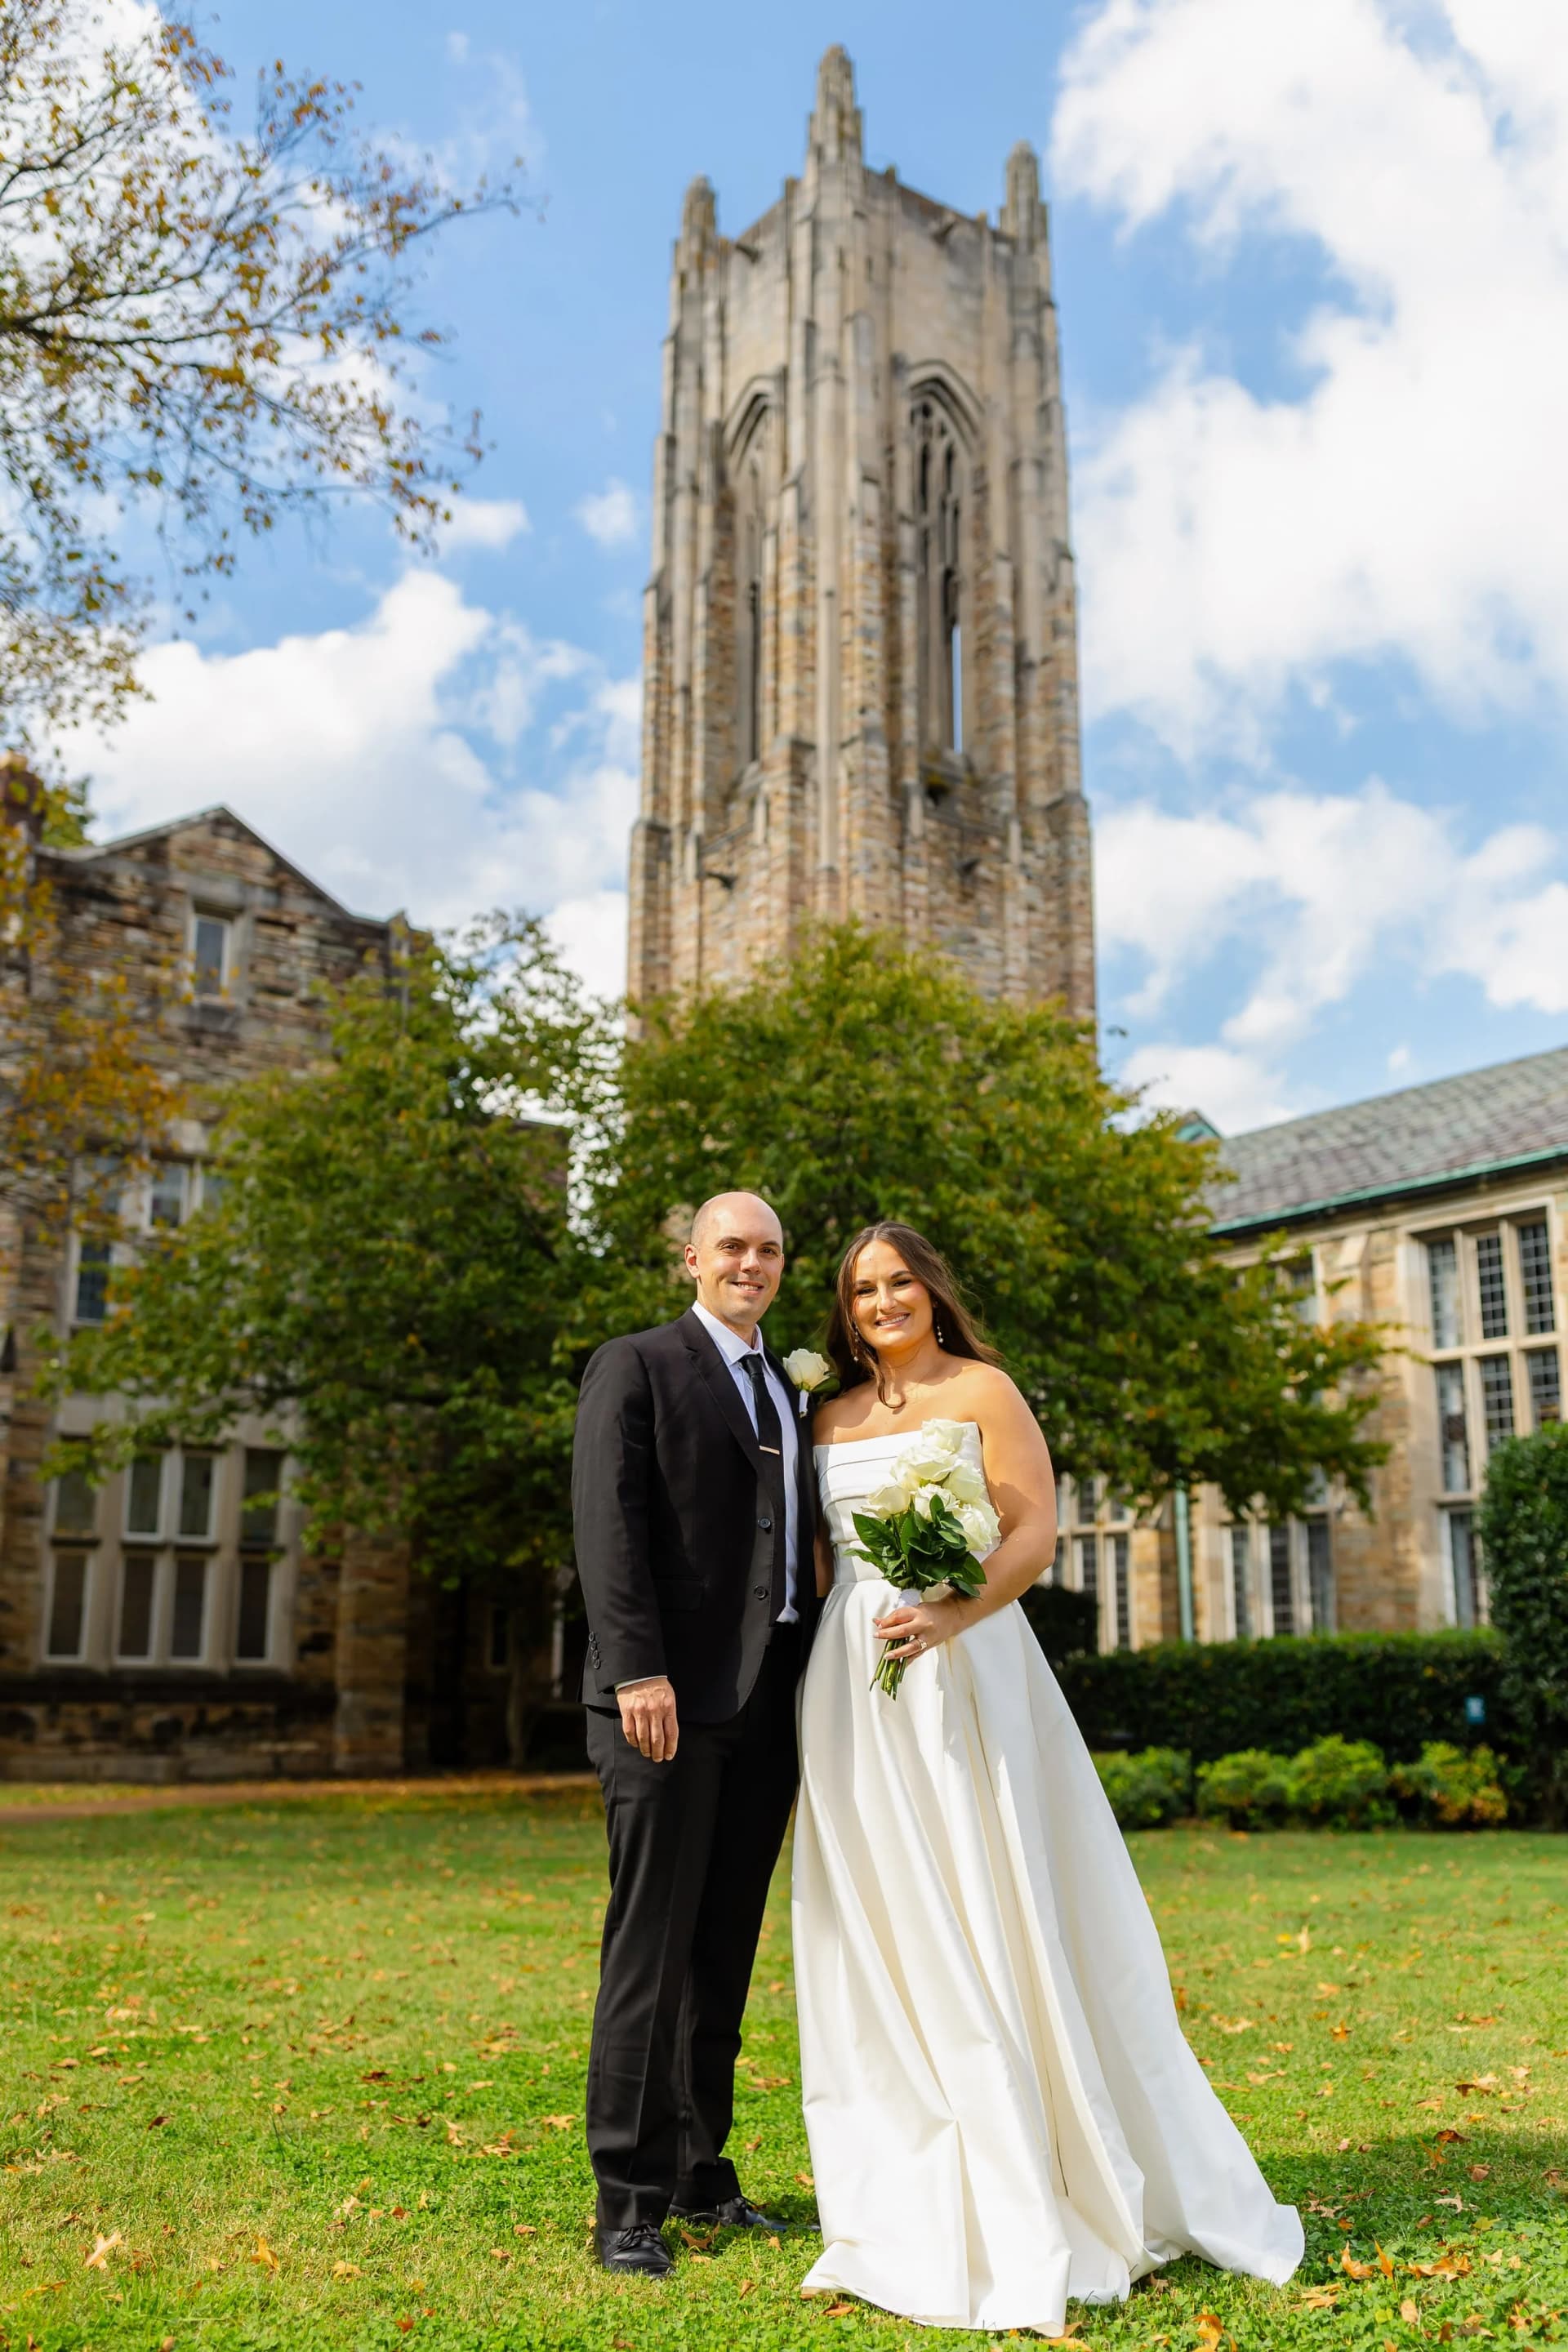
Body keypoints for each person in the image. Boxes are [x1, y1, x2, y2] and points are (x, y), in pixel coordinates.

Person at [793, 1219, 1303, 2334]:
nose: (883, 1302)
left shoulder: (986, 1390)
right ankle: (907, 2165)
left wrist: (946, 1613)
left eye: (901, 1283)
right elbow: (823, 1561)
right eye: (864, 1288)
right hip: (850, 1679)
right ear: (846, 1305)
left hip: (966, 1667)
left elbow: (1032, 1537)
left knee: (987, 1893)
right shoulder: (823, 1415)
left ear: (932, 1290)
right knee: (882, 1915)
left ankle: (1036, 2160)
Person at [572, 1192, 818, 2278]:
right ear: (692, 1261)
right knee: (650, 1951)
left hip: (771, 1707)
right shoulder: (637, 1365)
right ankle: (626, 2200)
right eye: (732, 1247)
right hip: (660, 1705)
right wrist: (639, 1670)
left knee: (722, 1953)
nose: (749, 1264)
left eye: (767, 1251)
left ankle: (698, 2169)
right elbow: (608, 1525)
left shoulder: (797, 1387)